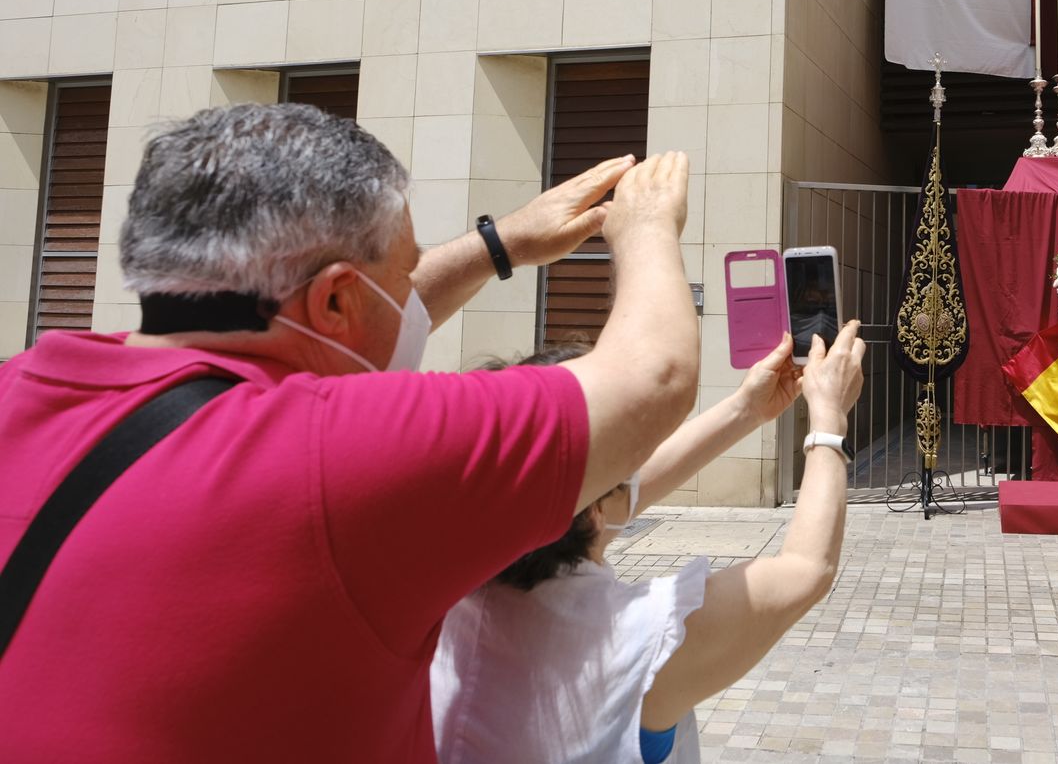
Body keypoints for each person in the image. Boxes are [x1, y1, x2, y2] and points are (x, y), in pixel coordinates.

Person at [0, 103, 699, 764]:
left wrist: (500, 244)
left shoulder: (25, 385)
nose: (410, 295)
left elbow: (330, 322)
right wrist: (645, 227)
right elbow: (652, 380)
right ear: (337, 299)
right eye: (402, 275)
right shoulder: (331, 457)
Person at [431, 323, 866, 764]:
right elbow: (806, 569)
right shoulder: (638, 643)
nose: (636, 462)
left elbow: (609, 496)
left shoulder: (442, 600)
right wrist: (829, 418)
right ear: (596, 505)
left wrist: (745, 409)